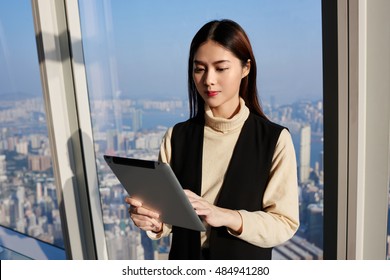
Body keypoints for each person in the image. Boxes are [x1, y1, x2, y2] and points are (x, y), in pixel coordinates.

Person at [125, 19, 299, 260]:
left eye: (221, 68)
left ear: (245, 68)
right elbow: (171, 216)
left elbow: (284, 223)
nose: (208, 80)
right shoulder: (177, 136)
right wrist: (154, 222)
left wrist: (225, 216)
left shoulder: (274, 139)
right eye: (199, 68)